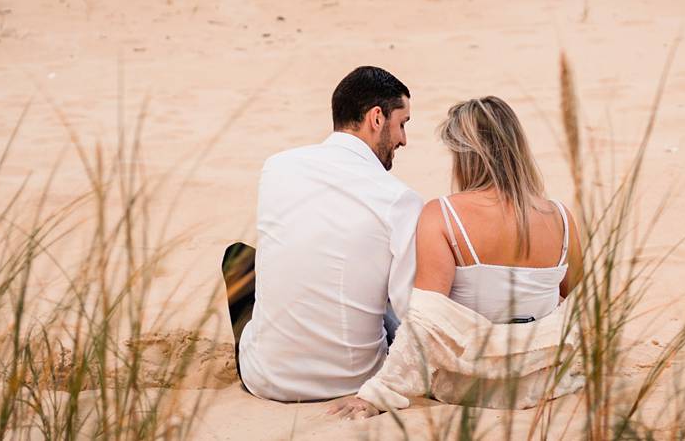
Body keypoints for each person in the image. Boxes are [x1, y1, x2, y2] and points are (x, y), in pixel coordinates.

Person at [330, 95, 584, 417]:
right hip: (544, 379)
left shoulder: (443, 215)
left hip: (469, 383)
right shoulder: (561, 217)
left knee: (391, 308)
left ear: (464, 155)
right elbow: (580, 303)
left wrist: (378, 394)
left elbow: (428, 320)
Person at [224, 66, 424, 401]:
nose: (404, 139)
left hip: (265, 379)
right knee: (383, 278)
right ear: (377, 118)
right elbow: (408, 308)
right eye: (402, 123)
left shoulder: (277, 167)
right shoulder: (399, 199)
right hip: (353, 380)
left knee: (239, 257)